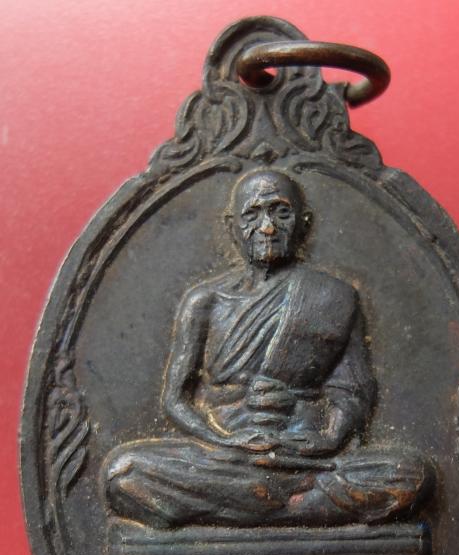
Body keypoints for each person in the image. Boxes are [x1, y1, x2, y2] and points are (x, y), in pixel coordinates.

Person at [103, 169, 432, 528]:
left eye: (281, 213)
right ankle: (293, 506)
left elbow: (351, 389)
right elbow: (175, 400)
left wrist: (327, 437)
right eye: (252, 215)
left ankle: (250, 507)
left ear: (304, 224)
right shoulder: (205, 302)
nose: (267, 227)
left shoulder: (332, 297)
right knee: (125, 473)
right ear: (231, 226)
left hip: (302, 458)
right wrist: (227, 440)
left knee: (408, 475)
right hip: (226, 457)